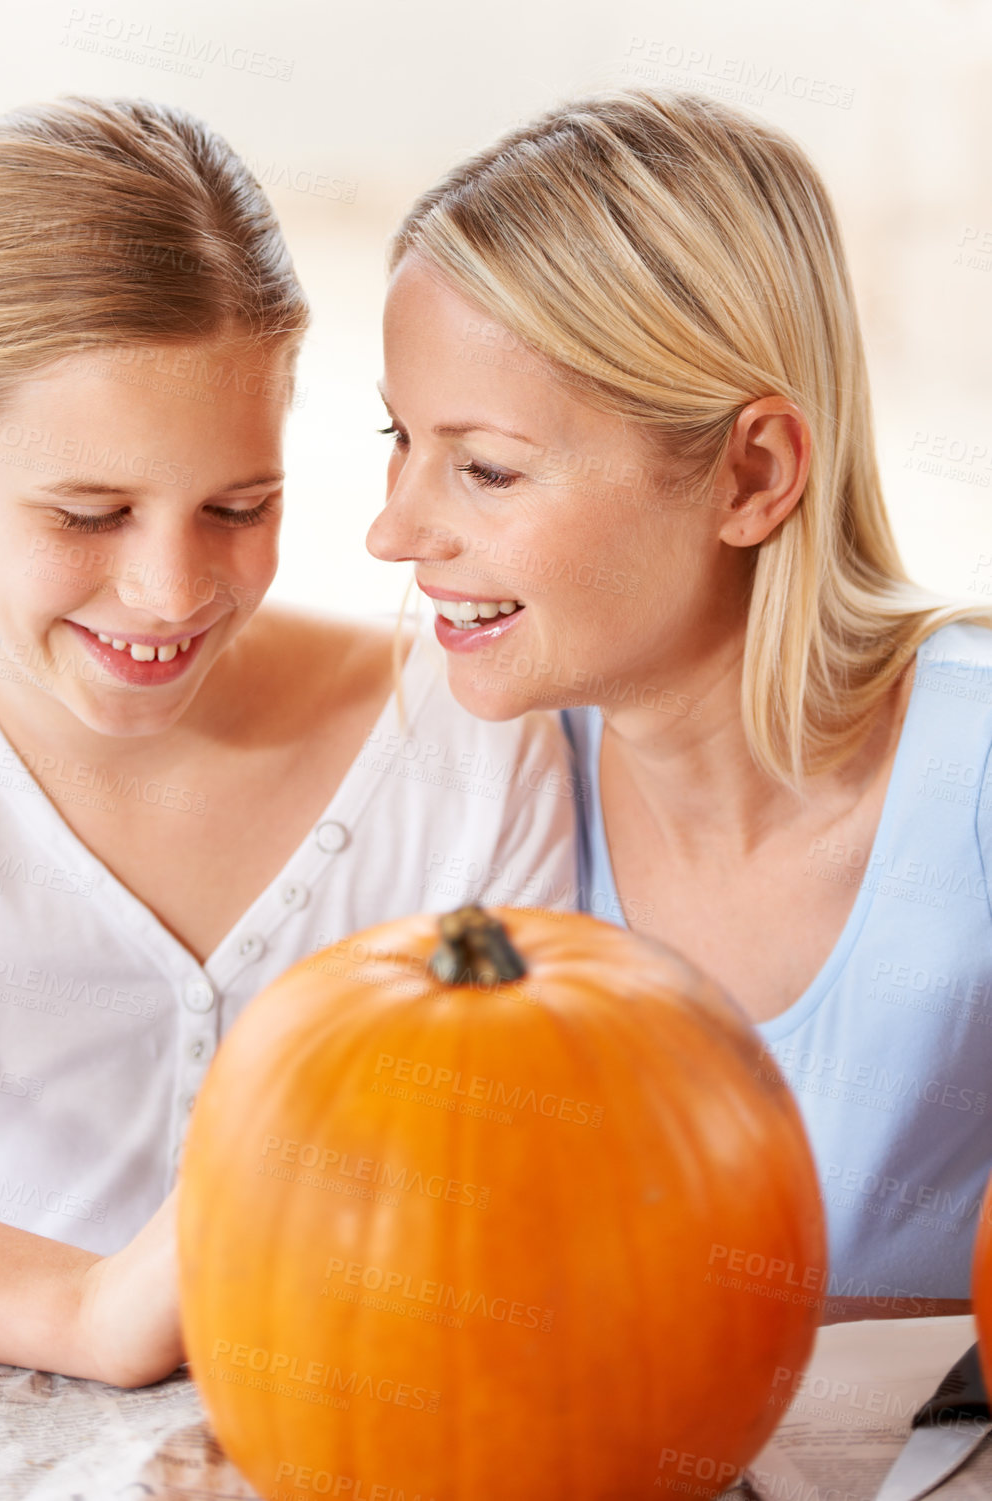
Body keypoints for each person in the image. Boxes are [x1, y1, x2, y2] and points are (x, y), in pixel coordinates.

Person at [0, 95, 575, 1387]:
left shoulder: (469, 741)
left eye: (237, 505)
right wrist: (87, 1311)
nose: (171, 590)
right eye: (89, 513)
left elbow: (551, 1160)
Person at [364, 87, 992, 1304]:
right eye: (392, 438)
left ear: (749, 474)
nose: (392, 529)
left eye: (485, 468)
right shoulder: (495, 791)